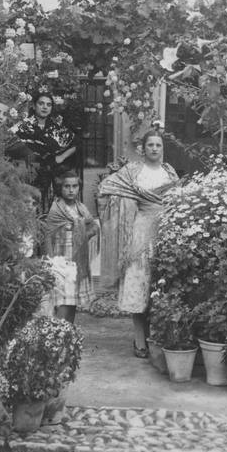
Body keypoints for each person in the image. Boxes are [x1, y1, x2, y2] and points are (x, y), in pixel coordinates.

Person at [98, 129, 179, 357]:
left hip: (165, 230)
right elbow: (107, 188)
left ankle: (158, 337)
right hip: (141, 230)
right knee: (140, 281)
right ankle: (139, 340)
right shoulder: (133, 171)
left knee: (160, 285)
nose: (154, 148)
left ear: (163, 149)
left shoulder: (169, 172)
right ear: (143, 149)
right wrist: (123, 209)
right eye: (150, 145)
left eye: (158, 145)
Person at [8, 90, 77, 216]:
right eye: (41, 103)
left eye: (48, 104)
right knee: (27, 215)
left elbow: (75, 144)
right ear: (34, 106)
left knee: (46, 216)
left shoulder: (56, 128)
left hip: (48, 178)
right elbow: (9, 147)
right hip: (27, 178)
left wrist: (60, 157)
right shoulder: (23, 126)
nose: (45, 107)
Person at [44, 172, 99, 323]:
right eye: (67, 186)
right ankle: (59, 332)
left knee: (72, 299)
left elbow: (93, 226)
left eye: (74, 186)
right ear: (60, 188)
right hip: (61, 258)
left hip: (78, 259)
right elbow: (48, 236)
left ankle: (69, 332)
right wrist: (50, 262)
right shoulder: (56, 209)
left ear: (79, 188)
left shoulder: (81, 208)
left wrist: (83, 235)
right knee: (63, 298)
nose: (71, 190)